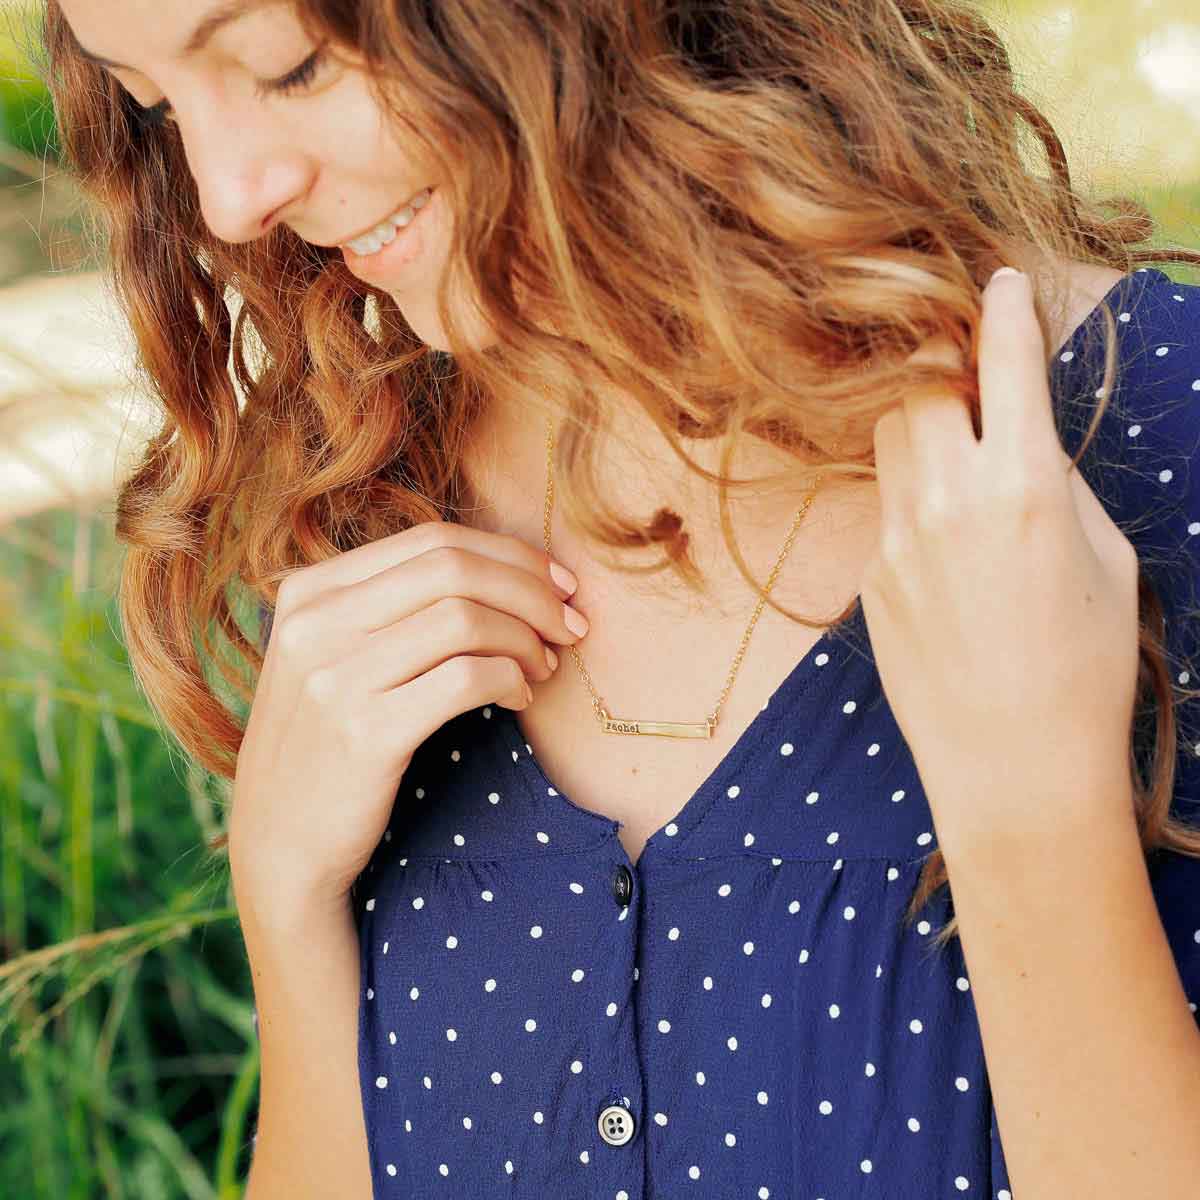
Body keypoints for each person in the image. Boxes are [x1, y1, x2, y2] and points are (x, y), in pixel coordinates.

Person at [41, 1, 1200, 1197]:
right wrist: (287, 907)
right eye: (160, 106)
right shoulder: (362, 508)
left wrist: (1037, 829)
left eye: (291, 65)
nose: (230, 197)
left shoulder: (1166, 440)